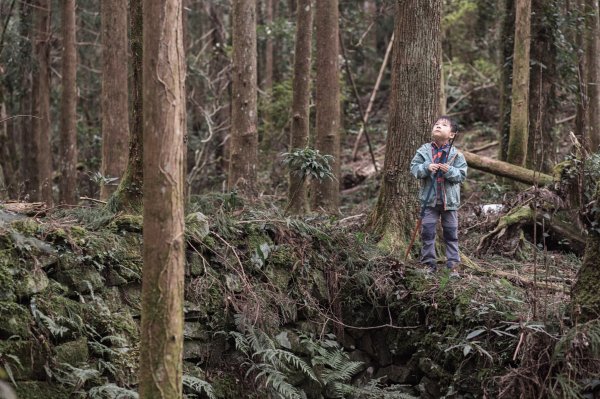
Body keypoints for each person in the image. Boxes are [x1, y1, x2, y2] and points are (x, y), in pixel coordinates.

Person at [409, 116, 468, 277]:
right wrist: (427, 168)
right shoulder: (424, 151)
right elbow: (414, 169)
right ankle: (428, 264)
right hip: (429, 202)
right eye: (436, 124)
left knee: (451, 234)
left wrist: (449, 171)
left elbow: (462, 175)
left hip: (450, 203)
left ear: (452, 134)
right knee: (427, 232)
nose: (438, 126)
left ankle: (453, 266)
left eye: (444, 125)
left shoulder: (456, 155)